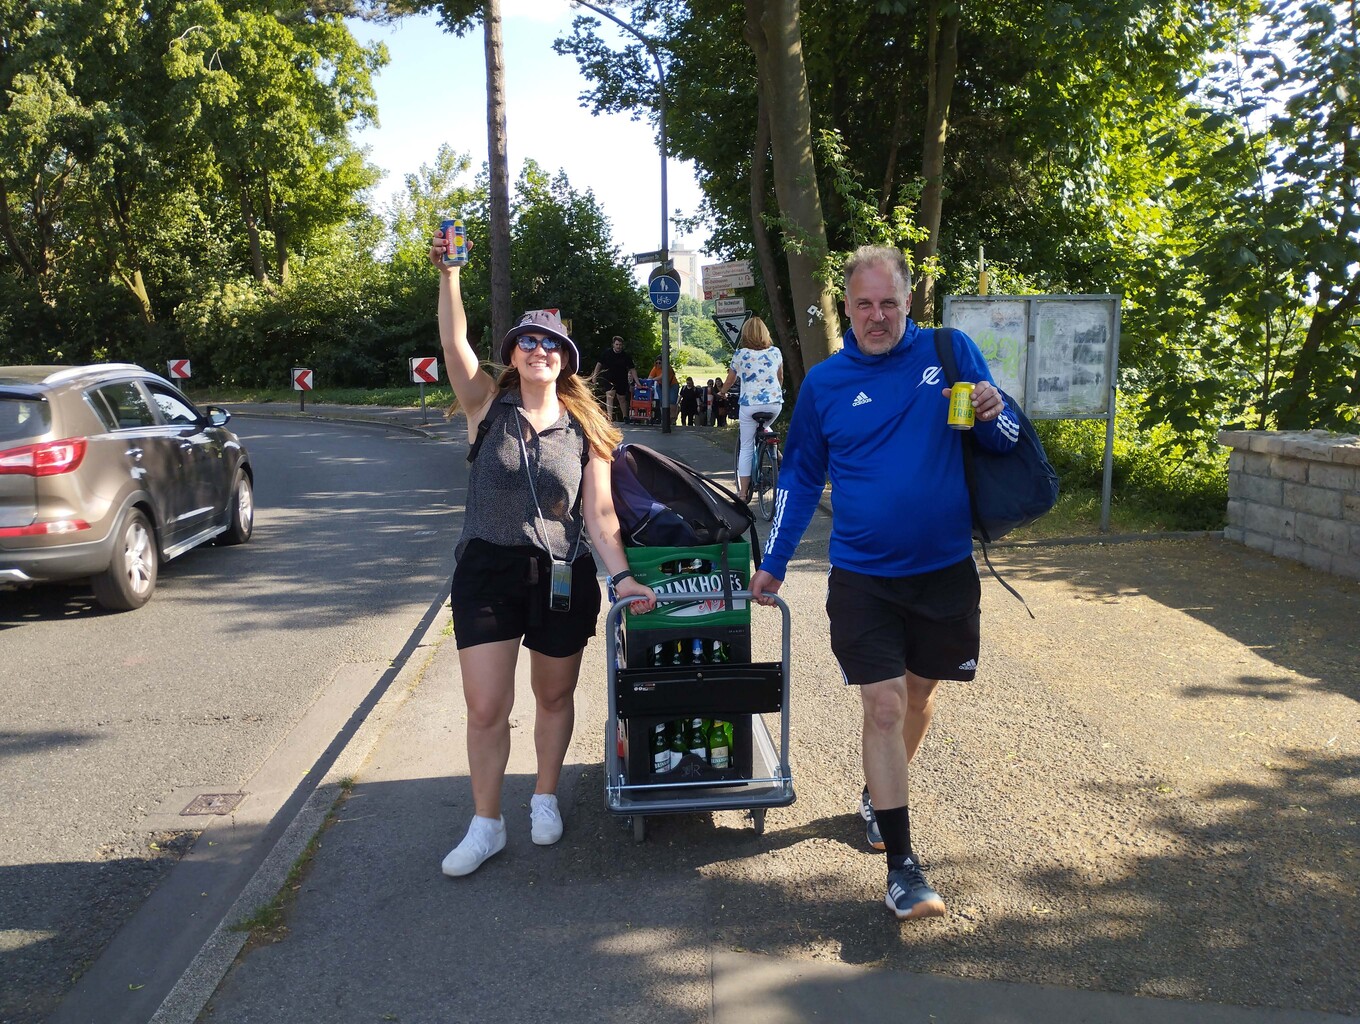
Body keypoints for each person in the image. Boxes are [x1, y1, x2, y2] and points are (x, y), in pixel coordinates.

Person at [750, 245, 1015, 922]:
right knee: (885, 705)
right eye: (863, 304)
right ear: (846, 306)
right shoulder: (825, 384)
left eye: (889, 303)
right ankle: (903, 865)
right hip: (864, 576)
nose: (877, 316)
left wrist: (996, 410)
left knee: (921, 696)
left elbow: (1008, 441)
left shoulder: (950, 353)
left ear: (908, 302)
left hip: (946, 570)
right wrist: (775, 560)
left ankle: (876, 795)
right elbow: (802, 475)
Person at [430, 231, 656, 878]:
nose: (539, 350)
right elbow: (453, 343)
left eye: (551, 344)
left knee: (554, 696)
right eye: (529, 340)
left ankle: (546, 795)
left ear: (566, 362)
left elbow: (601, 516)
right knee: (485, 706)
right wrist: (450, 275)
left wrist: (623, 581)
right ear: (513, 352)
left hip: (562, 573)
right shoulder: (485, 407)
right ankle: (486, 822)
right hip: (487, 570)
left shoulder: (588, 431)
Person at [719, 316, 784, 501]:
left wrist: (723, 392)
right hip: (774, 404)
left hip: (750, 405)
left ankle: (742, 492)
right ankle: (775, 451)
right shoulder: (775, 352)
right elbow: (780, 378)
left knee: (747, 447)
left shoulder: (741, 354)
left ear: (745, 334)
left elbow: (730, 380)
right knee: (764, 427)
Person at [589, 336, 639, 423]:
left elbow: (632, 369)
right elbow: (599, 364)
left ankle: (625, 416)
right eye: (617, 344)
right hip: (608, 378)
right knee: (610, 395)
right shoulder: (606, 353)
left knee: (622, 398)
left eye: (620, 345)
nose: (618, 346)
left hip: (621, 379)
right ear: (613, 345)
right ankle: (609, 417)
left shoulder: (626, 356)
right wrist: (594, 376)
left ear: (622, 345)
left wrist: (637, 382)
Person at [647, 357, 680, 428]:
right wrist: (648, 381)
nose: (658, 364)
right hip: (661, 386)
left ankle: (672, 419)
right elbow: (649, 377)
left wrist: (652, 380)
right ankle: (664, 419)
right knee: (662, 402)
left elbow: (662, 376)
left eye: (660, 363)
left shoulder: (667, 368)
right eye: (656, 363)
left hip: (672, 385)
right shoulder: (655, 368)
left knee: (672, 402)